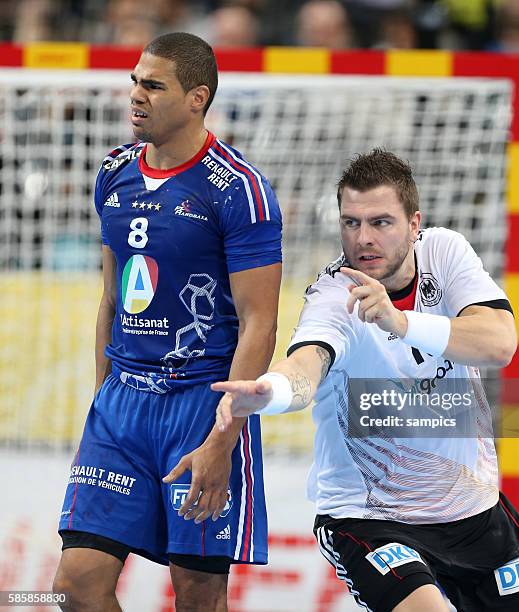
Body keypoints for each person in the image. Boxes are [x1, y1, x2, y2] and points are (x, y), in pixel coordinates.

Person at [212, 150, 519, 611]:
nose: (363, 239)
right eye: (350, 223)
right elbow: (306, 366)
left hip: (473, 511)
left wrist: (402, 322)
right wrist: (269, 392)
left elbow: (499, 343)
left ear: (415, 224)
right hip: (372, 517)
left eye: (380, 222)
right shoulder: (336, 295)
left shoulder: (445, 251)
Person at [53, 32, 282, 611]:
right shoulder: (114, 172)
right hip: (122, 406)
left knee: (198, 596)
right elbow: (110, 300)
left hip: (200, 406)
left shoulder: (239, 190)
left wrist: (223, 438)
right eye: (134, 81)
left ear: (197, 97)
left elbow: (261, 324)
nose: (136, 95)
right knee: (76, 585)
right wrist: (104, 397)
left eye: (153, 86)